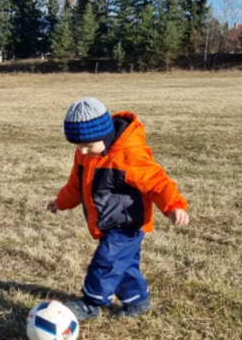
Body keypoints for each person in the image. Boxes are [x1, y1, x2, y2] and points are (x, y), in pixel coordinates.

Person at [47, 98, 189, 320]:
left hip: (127, 224)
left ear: (104, 135)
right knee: (123, 265)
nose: (83, 152)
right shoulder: (86, 154)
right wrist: (60, 202)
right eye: (78, 146)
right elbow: (76, 184)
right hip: (108, 221)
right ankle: (138, 301)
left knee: (107, 261)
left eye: (88, 146)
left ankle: (91, 303)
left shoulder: (128, 154)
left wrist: (174, 206)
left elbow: (157, 182)